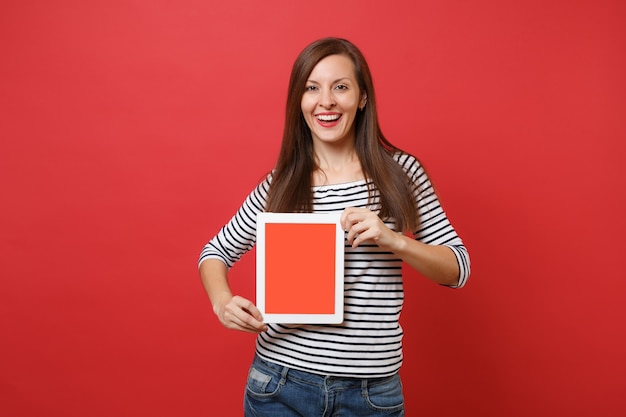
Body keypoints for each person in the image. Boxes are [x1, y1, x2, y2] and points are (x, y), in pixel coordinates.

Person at [198, 37, 470, 416]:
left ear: (361, 98)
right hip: (279, 383)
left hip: (371, 394)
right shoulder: (281, 184)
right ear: (299, 101)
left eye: (340, 87)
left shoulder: (401, 174)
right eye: (312, 88)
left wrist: (394, 240)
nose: (326, 101)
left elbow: (457, 269)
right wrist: (222, 302)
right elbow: (215, 252)